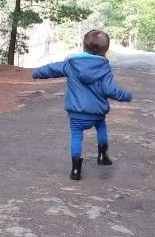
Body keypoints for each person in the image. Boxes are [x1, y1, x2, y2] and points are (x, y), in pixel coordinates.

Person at [32, 30, 133, 180]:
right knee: (101, 127)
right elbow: (109, 90)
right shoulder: (104, 68)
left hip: (77, 113)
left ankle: (75, 170)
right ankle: (102, 156)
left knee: (76, 137)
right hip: (97, 113)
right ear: (105, 51)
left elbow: (52, 69)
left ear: (83, 47)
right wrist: (125, 95)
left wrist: (37, 73)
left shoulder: (71, 64)